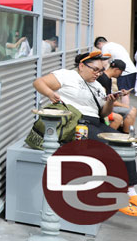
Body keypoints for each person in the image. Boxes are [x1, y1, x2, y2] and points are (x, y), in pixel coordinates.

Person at [33, 50, 137, 216]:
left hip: (95, 122)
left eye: (101, 70)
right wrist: (50, 93)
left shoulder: (97, 86)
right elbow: (39, 82)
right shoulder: (66, 75)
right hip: (77, 124)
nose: (98, 74)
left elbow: (103, 113)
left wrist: (111, 102)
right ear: (82, 66)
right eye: (95, 69)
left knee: (127, 142)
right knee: (111, 148)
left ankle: (130, 190)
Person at [94, 36, 137, 106]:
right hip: (132, 70)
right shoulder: (115, 45)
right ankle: (126, 109)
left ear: (100, 43)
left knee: (124, 93)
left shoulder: (105, 47)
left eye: (99, 48)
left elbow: (105, 62)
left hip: (124, 72)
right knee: (125, 92)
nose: (100, 49)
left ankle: (125, 109)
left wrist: (102, 72)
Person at [96, 59, 137, 132]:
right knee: (132, 111)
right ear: (116, 69)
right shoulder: (103, 79)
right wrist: (125, 106)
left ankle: (125, 135)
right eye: (121, 72)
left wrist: (120, 93)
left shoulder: (107, 78)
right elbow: (107, 100)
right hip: (103, 108)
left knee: (132, 110)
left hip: (106, 105)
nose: (120, 74)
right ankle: (125, 136)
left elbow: (109, 95)